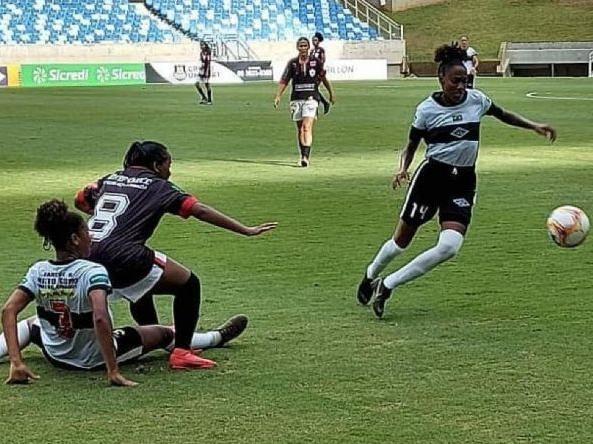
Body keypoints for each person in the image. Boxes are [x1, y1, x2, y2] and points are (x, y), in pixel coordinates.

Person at [356, 43, 556, 319]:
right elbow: (412, 143)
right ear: (441, 78)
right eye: (455, 80)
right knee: (401, 241)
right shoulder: (426, 110)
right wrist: (403, 168)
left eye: (465, 80)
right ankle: (370, 275)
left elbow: (502, 114)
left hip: (463, 181)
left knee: (450, 246)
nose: (461, 85)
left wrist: (534, 125)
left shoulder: (476, 100)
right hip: (431, 178)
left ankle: (388, 285)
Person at [74, 141, 277, 369]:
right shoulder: (160, 186)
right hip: (124, 254)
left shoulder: (110, 178)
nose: (169, 171)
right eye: (168, 164)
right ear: (156, 165)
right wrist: (245, 230)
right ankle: (181, 351)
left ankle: (158, 337)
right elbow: (198, 210)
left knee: (140, 288)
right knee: (188, 284)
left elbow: (80, 199)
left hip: (87, 255)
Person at [1, 200, 174, 386]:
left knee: (31, 323)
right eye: (86, 232)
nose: (90, 237)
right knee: (165, 333)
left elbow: (8, 310)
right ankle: (210, 337)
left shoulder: (38, 270)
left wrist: (16, 361)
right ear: (75, 239)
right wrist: (113, 370)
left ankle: (14, 362)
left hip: (54, 353)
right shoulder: (93, 271)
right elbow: (100, 317)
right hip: (91, 359)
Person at [274, 36, 335, 167]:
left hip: (311, 98)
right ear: (297, 48)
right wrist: (278, 96)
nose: (303, 48)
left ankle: (306, 158)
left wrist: (331, 92)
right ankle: (302, 155)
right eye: (300, 46)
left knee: (306, 127)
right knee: (300, 129)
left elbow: (323, 78)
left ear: (308, 47)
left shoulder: (316, 62)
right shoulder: (292, 63)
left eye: (305, 46)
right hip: (296, 99)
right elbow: (284, 80)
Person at [310, 31, 332, 115]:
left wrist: (319, 68)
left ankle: (318, 107)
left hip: (319, 72)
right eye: (313, 40)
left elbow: (323, 60)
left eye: (315, 40)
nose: (314, 42)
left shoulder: (320, 50)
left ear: (319, 41)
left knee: (313, 89)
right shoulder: (311, 51)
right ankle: (324, 103)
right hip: (312, 73)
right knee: (313, 89)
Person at [195, 41, 212, 105]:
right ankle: (204, 97)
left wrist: (205, 71)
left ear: (205, 45)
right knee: (196, 84)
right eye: (201, 45)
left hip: (206, 70)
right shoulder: (201, 53)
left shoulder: (208, 52)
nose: (201, 46)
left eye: (203, 45)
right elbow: (202, 61)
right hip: (201, 70)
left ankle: (209, 100)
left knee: (207, 84)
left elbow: (208, 62)